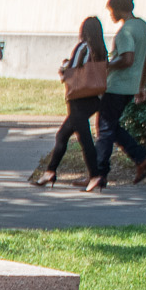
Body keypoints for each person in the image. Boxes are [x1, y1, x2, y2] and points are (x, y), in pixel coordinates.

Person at [37, 16, 111, 191]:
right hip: (94, 97)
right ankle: (50, 171)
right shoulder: (101, 49)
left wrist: (63, 69)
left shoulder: (83, 47)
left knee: (84, 139)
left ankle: (95, 175)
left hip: (78, 98)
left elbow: (73, 68)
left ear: (84, 31)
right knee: (62, 135)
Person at [97, 0, 146, 184]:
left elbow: (127, 58)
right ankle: (141, 158)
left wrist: (107, 65)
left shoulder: (126, 31)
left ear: (118, 8)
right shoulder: (143, 26)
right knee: (112, 127)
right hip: (131, 86)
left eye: (111, 10)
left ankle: (100, 174)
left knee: (104, 129)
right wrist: (141, 84)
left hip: (117, 86)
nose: (111, 15)